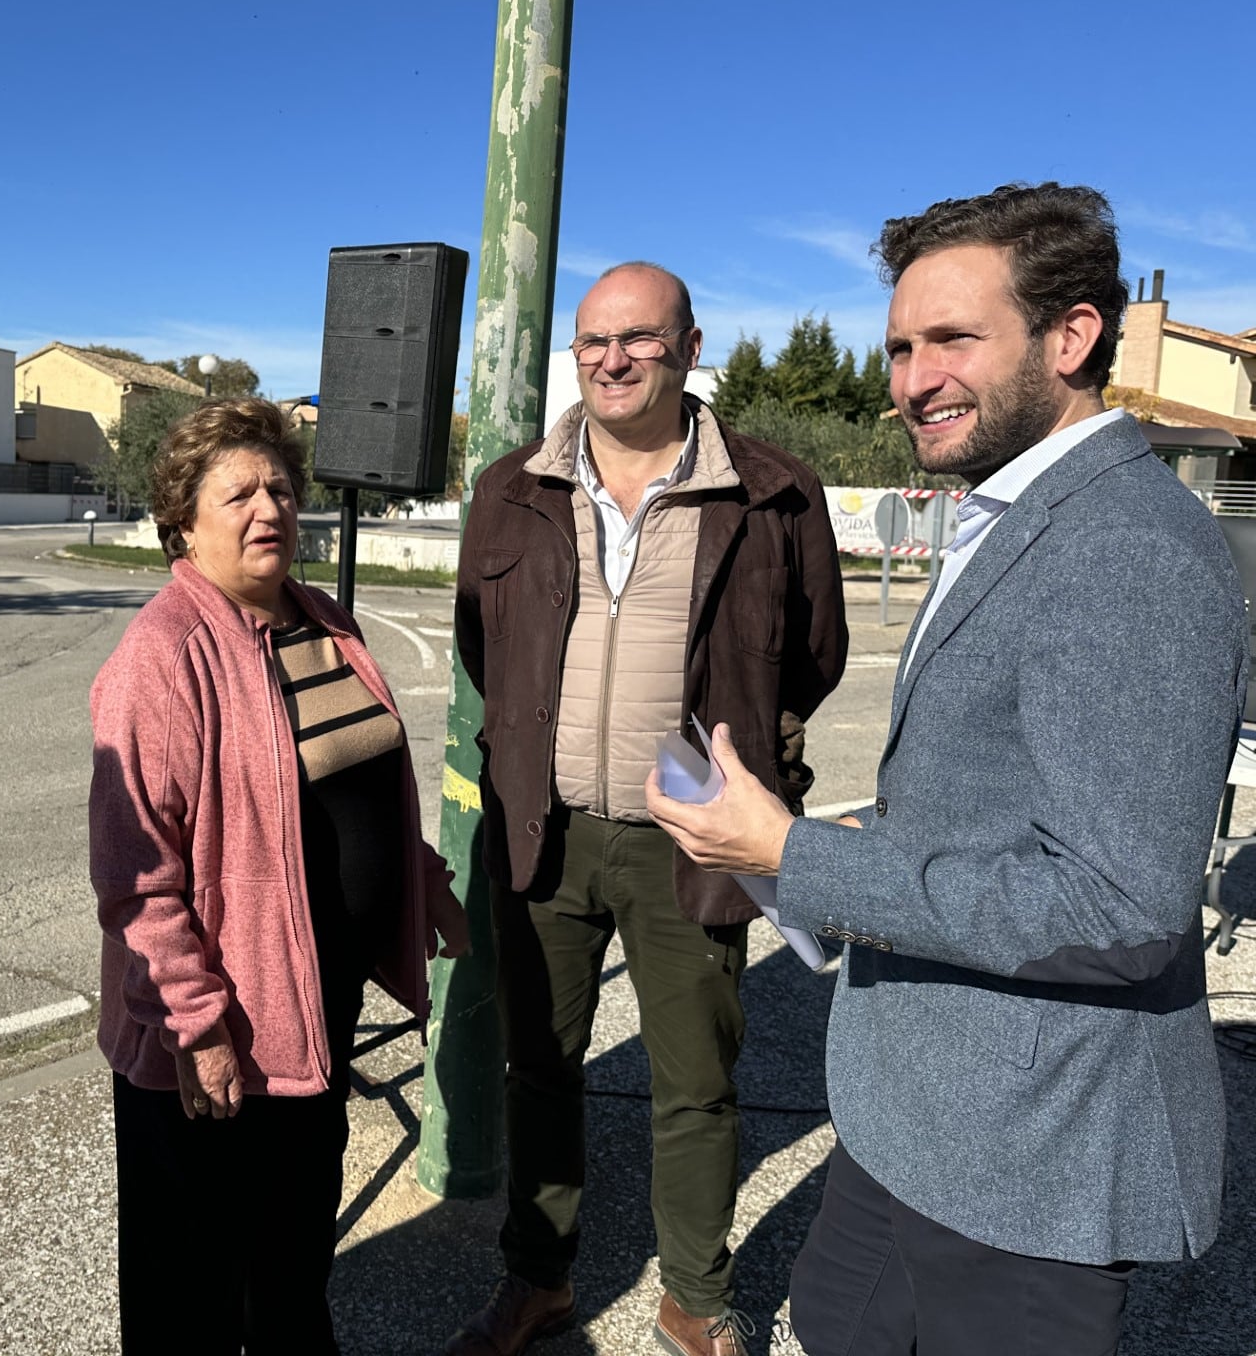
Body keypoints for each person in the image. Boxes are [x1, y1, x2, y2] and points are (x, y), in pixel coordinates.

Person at [647, 183, 1246, 1356]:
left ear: (1072, 337)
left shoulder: (1126, 547)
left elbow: (1119, 905)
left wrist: (793, 855)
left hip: (1029, 1160)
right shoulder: (1015, 511)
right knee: (833, 1322)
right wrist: (871, 840)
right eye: (901, 347)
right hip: (918, 1118)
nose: (911, 379)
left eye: (954, 340)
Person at [445, 262, 848, 1356]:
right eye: (592, 342)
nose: (612, 360)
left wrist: (746, 769)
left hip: (694, 839)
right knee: (538, 1069)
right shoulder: (510, 487)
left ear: (689, 345)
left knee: (696, 1085)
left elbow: (813, 658)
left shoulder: (774, 491)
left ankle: (696, 1297)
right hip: (547, 833)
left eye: (638, 339)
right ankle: (539, 1280)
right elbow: (487, 650)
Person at [90, 396, 469, 1354]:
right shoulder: (162, 655)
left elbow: (359, 790)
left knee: (292, 1243)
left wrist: (418, 880)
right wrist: (195, 1023)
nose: (270, 509)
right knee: (194, 1284)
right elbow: (138, 876)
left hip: (315, 999)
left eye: (281, 488)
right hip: (217, 1027)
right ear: (183, 520)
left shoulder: (325, 622)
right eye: (239, 494)